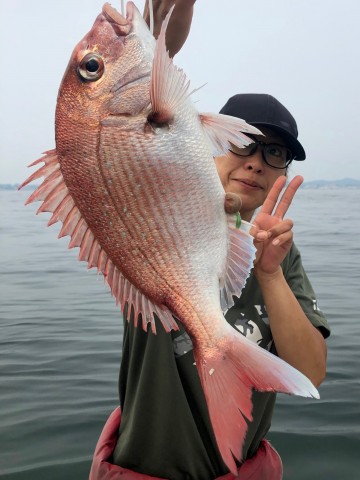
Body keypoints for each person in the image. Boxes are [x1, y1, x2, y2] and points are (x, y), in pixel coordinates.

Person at [89, 2, 330, 479]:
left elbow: (312, 371)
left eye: (275, 152)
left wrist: (270, 273)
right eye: (245, 142)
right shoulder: (157, 206)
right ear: (210, 141)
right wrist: (153, 37)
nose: (257, 161)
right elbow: (131, 115)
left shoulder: (283, 256)